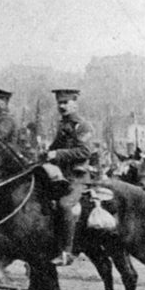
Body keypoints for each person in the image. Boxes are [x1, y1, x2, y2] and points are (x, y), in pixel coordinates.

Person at [44, 89, 95, 267]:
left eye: (66, 102)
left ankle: (67, 252)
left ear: (75, 103)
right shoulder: (63, 125)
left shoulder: (82, 126)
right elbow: (54, 148)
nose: (62, 106)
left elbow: (85, 151)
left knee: (64, 205)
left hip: (77, 178)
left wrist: (57, 154)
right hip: (60, 177)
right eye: (59, 102)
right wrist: (44, 153)